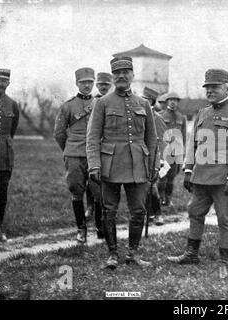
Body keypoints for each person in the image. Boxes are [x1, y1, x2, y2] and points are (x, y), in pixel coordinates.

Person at [167, 69, 228, 279]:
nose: (210, 91)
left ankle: (224, 261)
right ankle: (191, 253)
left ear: (227, 88)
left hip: (224, 178)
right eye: (208, 87)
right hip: (202, 176)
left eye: (215, 87)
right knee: (194, 211)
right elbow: (191, 144)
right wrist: (188, 170)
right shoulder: (202, 113)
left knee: (224, 218)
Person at [86, 56, 157, 269]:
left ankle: (133, 254)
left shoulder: (143, 104)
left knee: (139, 210)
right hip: (111, 164)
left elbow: (151, 139)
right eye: (117, 73)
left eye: (126, 72)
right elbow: (92, 137)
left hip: (138, 165)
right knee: (109, 210)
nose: (121, 76)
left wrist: (153, 165)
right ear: (113, 77)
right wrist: (94, 164)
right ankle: (112, 254)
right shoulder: (102, 103)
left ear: (133, 76)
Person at [54, 67, 97, 243]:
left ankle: (99, 226)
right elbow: (59, 133)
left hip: (95, 153)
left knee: (98, 190)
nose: (87, 85)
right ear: (77, 83)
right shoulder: (68, 106)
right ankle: (81, 229)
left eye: (89, 82)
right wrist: (69, 149)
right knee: (76, 190)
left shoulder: (100, 103)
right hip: (74, 154)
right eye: (83, 82)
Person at [85, 72, 113, 229]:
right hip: (95, 148)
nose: (103, 87)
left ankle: (105, 226)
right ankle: (99, 226)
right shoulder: (93, 102)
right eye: (101, 84)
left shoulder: (114, 101)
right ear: (97, 85)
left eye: (106, 85)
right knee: (96, 189)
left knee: (107, 193)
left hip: (110, 151)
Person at [0, 68, 19, 242]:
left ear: (8, 83)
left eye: (3, 81)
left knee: (1, 191)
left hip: (4, 154)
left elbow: (12, 131)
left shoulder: (12, 104)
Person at [157, 91, 186, 213]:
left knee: (171, 178)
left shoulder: (181, 118)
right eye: (171, 100)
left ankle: (168, 199)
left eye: (176, 100)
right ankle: (160, 198)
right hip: (165, 151)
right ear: (167, 102)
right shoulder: (161, 115)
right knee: (162, 177)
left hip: (176, 152)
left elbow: (183, 137)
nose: (173, 102)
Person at [143, 86, 167, 226]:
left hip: (153, 158)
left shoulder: (157, 118)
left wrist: (161, 159)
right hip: (139, 155)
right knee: (142, 188)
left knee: (152, 187)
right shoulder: (138, 114)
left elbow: (163, 139)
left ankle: (158, 214)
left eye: (145, 100)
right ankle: (148, 214)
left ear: (151, 102)